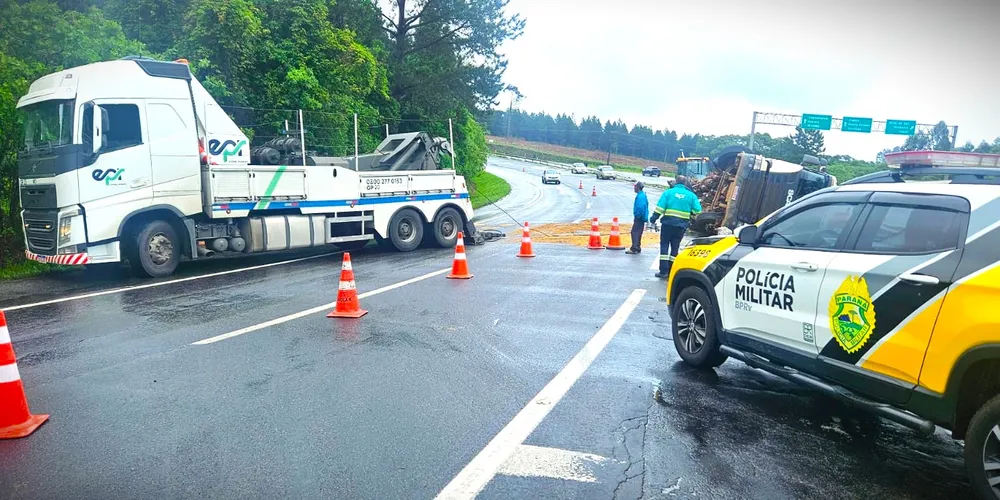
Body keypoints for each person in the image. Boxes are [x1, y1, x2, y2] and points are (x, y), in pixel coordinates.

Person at [649, 175, 701, 278]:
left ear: (676, 182)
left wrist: (653, 219)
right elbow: (698, 210)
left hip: (668, 224)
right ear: (685, 183)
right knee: (675, 247)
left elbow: (660, 208)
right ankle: (671, 270)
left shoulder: (668, 193)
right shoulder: (691, 195)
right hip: (681, 226)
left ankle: (663, 271)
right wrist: (689, 212)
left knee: (664, 246)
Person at [626, 182, 648, 254]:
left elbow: (640, 207)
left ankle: (634, 248)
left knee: (635, 232)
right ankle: (637, 247)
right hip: (642, 217)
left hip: (639, 217)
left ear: (638, 187)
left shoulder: (640, 196)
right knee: (638, 232)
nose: (634, 188)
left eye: (635, 186)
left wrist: (638, 215)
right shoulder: (642, 195)